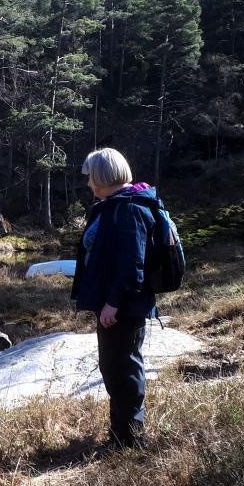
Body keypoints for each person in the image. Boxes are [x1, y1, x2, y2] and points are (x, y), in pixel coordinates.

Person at [71, 148, 157, 450]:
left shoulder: (131, 208)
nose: (88, 183)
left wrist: (113, 303)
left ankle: (132, 441)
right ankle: (120, 435)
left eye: (90, 177)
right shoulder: (111, 205)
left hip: (124, 306)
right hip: (112, 303)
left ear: (103, 177)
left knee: (125, 369)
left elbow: (133, 264)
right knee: (113, 367)